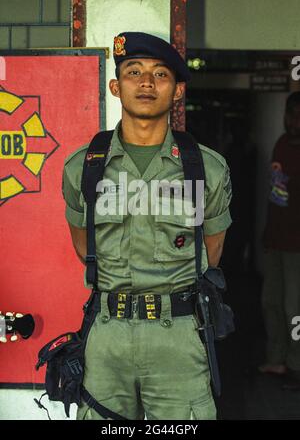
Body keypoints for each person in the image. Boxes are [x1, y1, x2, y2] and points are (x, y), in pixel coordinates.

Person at [62, 32, 232, 420]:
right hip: (105, 335)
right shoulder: (82, 167)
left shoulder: (207, 169)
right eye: (134, 72)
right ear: (115, 86)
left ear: (176, 92)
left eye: (160, 74)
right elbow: (81, 246)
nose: (146, 83)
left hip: (178, 338)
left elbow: (211, 253)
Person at [259, 92, 300, 389]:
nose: (293, 121)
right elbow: (277, 195)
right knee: (270, 301)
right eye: (290, 115)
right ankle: (277, 358)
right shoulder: (282, 145)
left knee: (293, 308)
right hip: (276, 238)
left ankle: (295, 363)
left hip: (298, 244)